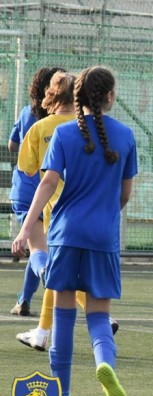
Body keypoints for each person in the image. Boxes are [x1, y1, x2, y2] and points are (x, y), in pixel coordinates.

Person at [12, 66, 134, 396]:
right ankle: (104, 363)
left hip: (64, 234)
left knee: (62, 318)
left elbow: (47, 183)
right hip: (103, 237)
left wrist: (25, 229)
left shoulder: (64, 135)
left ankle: (62, 392)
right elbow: (125, 193)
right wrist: (107, 211)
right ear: (110, 96)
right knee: (98, 316)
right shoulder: (125, 135)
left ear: (77, 96)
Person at [8, 67, 64, 317]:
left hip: (26, 190)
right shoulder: (68, 122)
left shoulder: (27, 113)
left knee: (37, 250)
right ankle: (29, 295)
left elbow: (12, 145)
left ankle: (24, 300)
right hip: (52, 194)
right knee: (40, 251)